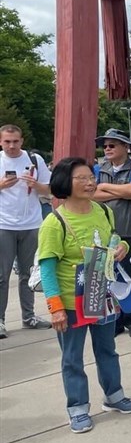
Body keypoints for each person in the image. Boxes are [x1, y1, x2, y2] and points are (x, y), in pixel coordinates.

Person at [38, 157, 131, 433]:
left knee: (107, 349)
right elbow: (47, 267)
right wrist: (55, 306)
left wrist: (121, 249)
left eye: (90, 177)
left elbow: (115, 239)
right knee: (72, 358)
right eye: (80, 178)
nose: (90, 182)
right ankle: (78, 408)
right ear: (63, 183)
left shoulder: (103, 211)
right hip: (71, 303)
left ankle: (114, 395)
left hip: (102, 296)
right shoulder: (54, 221)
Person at [92, 129, 131, 338]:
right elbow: (92, 194)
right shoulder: (99, 168)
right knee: (108, 276)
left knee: (130, 276)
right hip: (105, 231)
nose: (107, 149)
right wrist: (119, 190)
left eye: (112, 145)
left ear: (126, 147)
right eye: (105, 145)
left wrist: (105, 186)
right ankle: (114, 320)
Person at [0, 124, 52, 338]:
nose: (11, 146)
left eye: (15, 141)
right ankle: (0, 320)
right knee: (2, 277)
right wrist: (2, 185)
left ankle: (28, 316)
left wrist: (36, 184)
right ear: (1, 142)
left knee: (27, 274)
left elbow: (49, 189)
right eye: (7, 141)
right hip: (3, 225)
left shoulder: (34, 160)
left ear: (22, 141)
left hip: (31, 224)